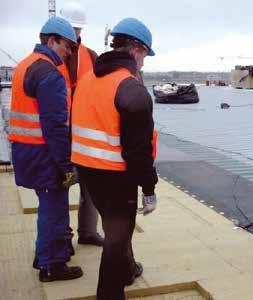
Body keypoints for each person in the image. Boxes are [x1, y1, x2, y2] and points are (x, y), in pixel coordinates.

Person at [71, 17, 157, 299]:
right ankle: (110, 293)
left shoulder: (87, 80)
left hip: (87, 171)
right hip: (116, 178)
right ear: (136, 50)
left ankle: (127, 268)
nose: (144, 62)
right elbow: (138, 152)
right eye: (145, 54)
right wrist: (149, 189)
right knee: (117, 238)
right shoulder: (132, 89)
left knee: (114, 227)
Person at [8, 17, 83, 282]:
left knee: (47, 205)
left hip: (25, 150)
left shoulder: (25, 65)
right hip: (44, 154)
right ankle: (52, 266)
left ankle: (43, 255)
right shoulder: (50, 74)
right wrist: (66, 165)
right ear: (52, 40)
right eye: (68, 46)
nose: (70, 52)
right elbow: (55, 126)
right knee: (54, 207)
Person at [60, 1, 103, 247]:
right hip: (59, 132)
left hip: (84, 133)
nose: (75, 33)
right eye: (71, 28)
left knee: (90, 187)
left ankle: (88, 232)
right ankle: (62, 238)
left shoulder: (91, 56)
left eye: (78, 29)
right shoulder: (51, 57)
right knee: (60, 187)